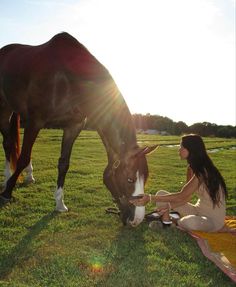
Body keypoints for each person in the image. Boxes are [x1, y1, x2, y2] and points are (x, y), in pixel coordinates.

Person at [130, 134, 228, 232]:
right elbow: (186, 198)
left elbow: (181, 195)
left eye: (182, 147)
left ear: (191, 149)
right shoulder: (191, 169)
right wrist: (168, 206)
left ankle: (175, 221)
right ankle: (169, 220)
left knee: (189, 222)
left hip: (212, 221)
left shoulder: (203, 171)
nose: (179, 149)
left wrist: (150, 198)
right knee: (161, 194)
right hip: (197, 211)